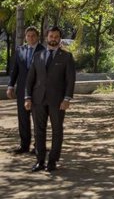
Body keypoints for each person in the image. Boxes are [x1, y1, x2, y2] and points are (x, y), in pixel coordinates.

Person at [24, 26, 76, 172]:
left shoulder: (66, 57)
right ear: (46, 37)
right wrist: (27, 98)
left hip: (58, 101)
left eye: (56, 36)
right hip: (38, 100)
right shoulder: (37, 55)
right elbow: (30, 80)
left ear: (59, 38)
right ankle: (40, 161)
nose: (53, 39)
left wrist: (67, 99)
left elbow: (70, 80)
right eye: (51, 36)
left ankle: (52, 161)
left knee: (57, 130)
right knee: (38, 131)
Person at [6, 26, 44, 155]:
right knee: (23, 118)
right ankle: (24, 145)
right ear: (25, 37)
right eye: (28, 36)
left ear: (37, 36)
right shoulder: (19, 50)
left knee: (38, 119)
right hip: (22, 90)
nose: (31, 38)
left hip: (38, 90)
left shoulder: (43, 50)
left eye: (33, 35)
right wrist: (11, 86)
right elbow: (15, 70)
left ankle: (38, 146)